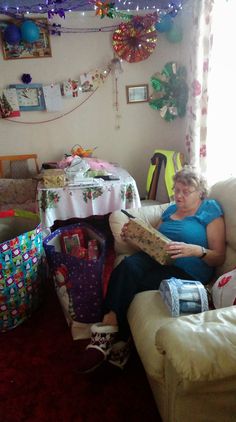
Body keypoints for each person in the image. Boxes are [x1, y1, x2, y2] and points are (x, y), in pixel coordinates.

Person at [78, 167, 226, 372]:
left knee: (135, 283)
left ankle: (110, 338)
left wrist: (194, 250)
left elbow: (219, 256)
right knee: (127, 266)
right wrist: (134, 236)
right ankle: (110, 328)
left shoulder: (209, 210)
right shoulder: (169, 211)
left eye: (185, 191)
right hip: (157, 259)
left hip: (187, 271)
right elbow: (152, 241)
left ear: (200, 192)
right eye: (176, 190)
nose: (179, 195)